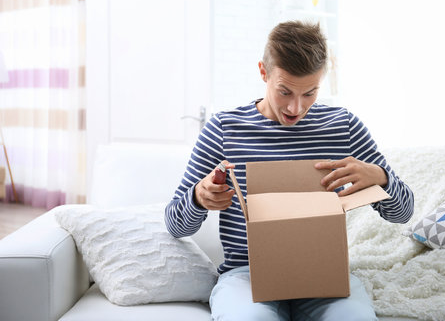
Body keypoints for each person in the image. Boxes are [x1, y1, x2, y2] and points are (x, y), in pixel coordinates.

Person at [165, 20, 414, 321]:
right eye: (285, 92)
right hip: (247, 276)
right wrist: (197, 198)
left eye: (309, 93)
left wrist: (382, 179)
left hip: (324, 277)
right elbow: (175, 225)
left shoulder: (343, 127)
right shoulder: (223, 129)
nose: (296, 108)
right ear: (263, 72)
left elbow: (403, 213)